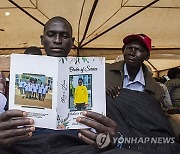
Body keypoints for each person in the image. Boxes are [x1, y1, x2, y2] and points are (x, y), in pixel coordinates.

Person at [0, 16, 118, 154]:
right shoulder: (22, 73)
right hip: (27, 144)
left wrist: (110, 141)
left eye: (64, 36)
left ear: (72, 42)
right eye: (51, 35)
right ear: (42, 39)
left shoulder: (92, 72)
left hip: (75, 145)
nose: (57, 41)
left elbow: (106, 133)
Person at [106, 34, 180, 153]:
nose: (132, 52)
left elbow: (158, 116)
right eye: (129, 48)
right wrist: (100, 88)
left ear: (147, 56)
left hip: (135, 134)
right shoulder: (103, 71)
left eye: (139, 50)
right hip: (106, 129)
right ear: (123, 50)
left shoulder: (155, 88)